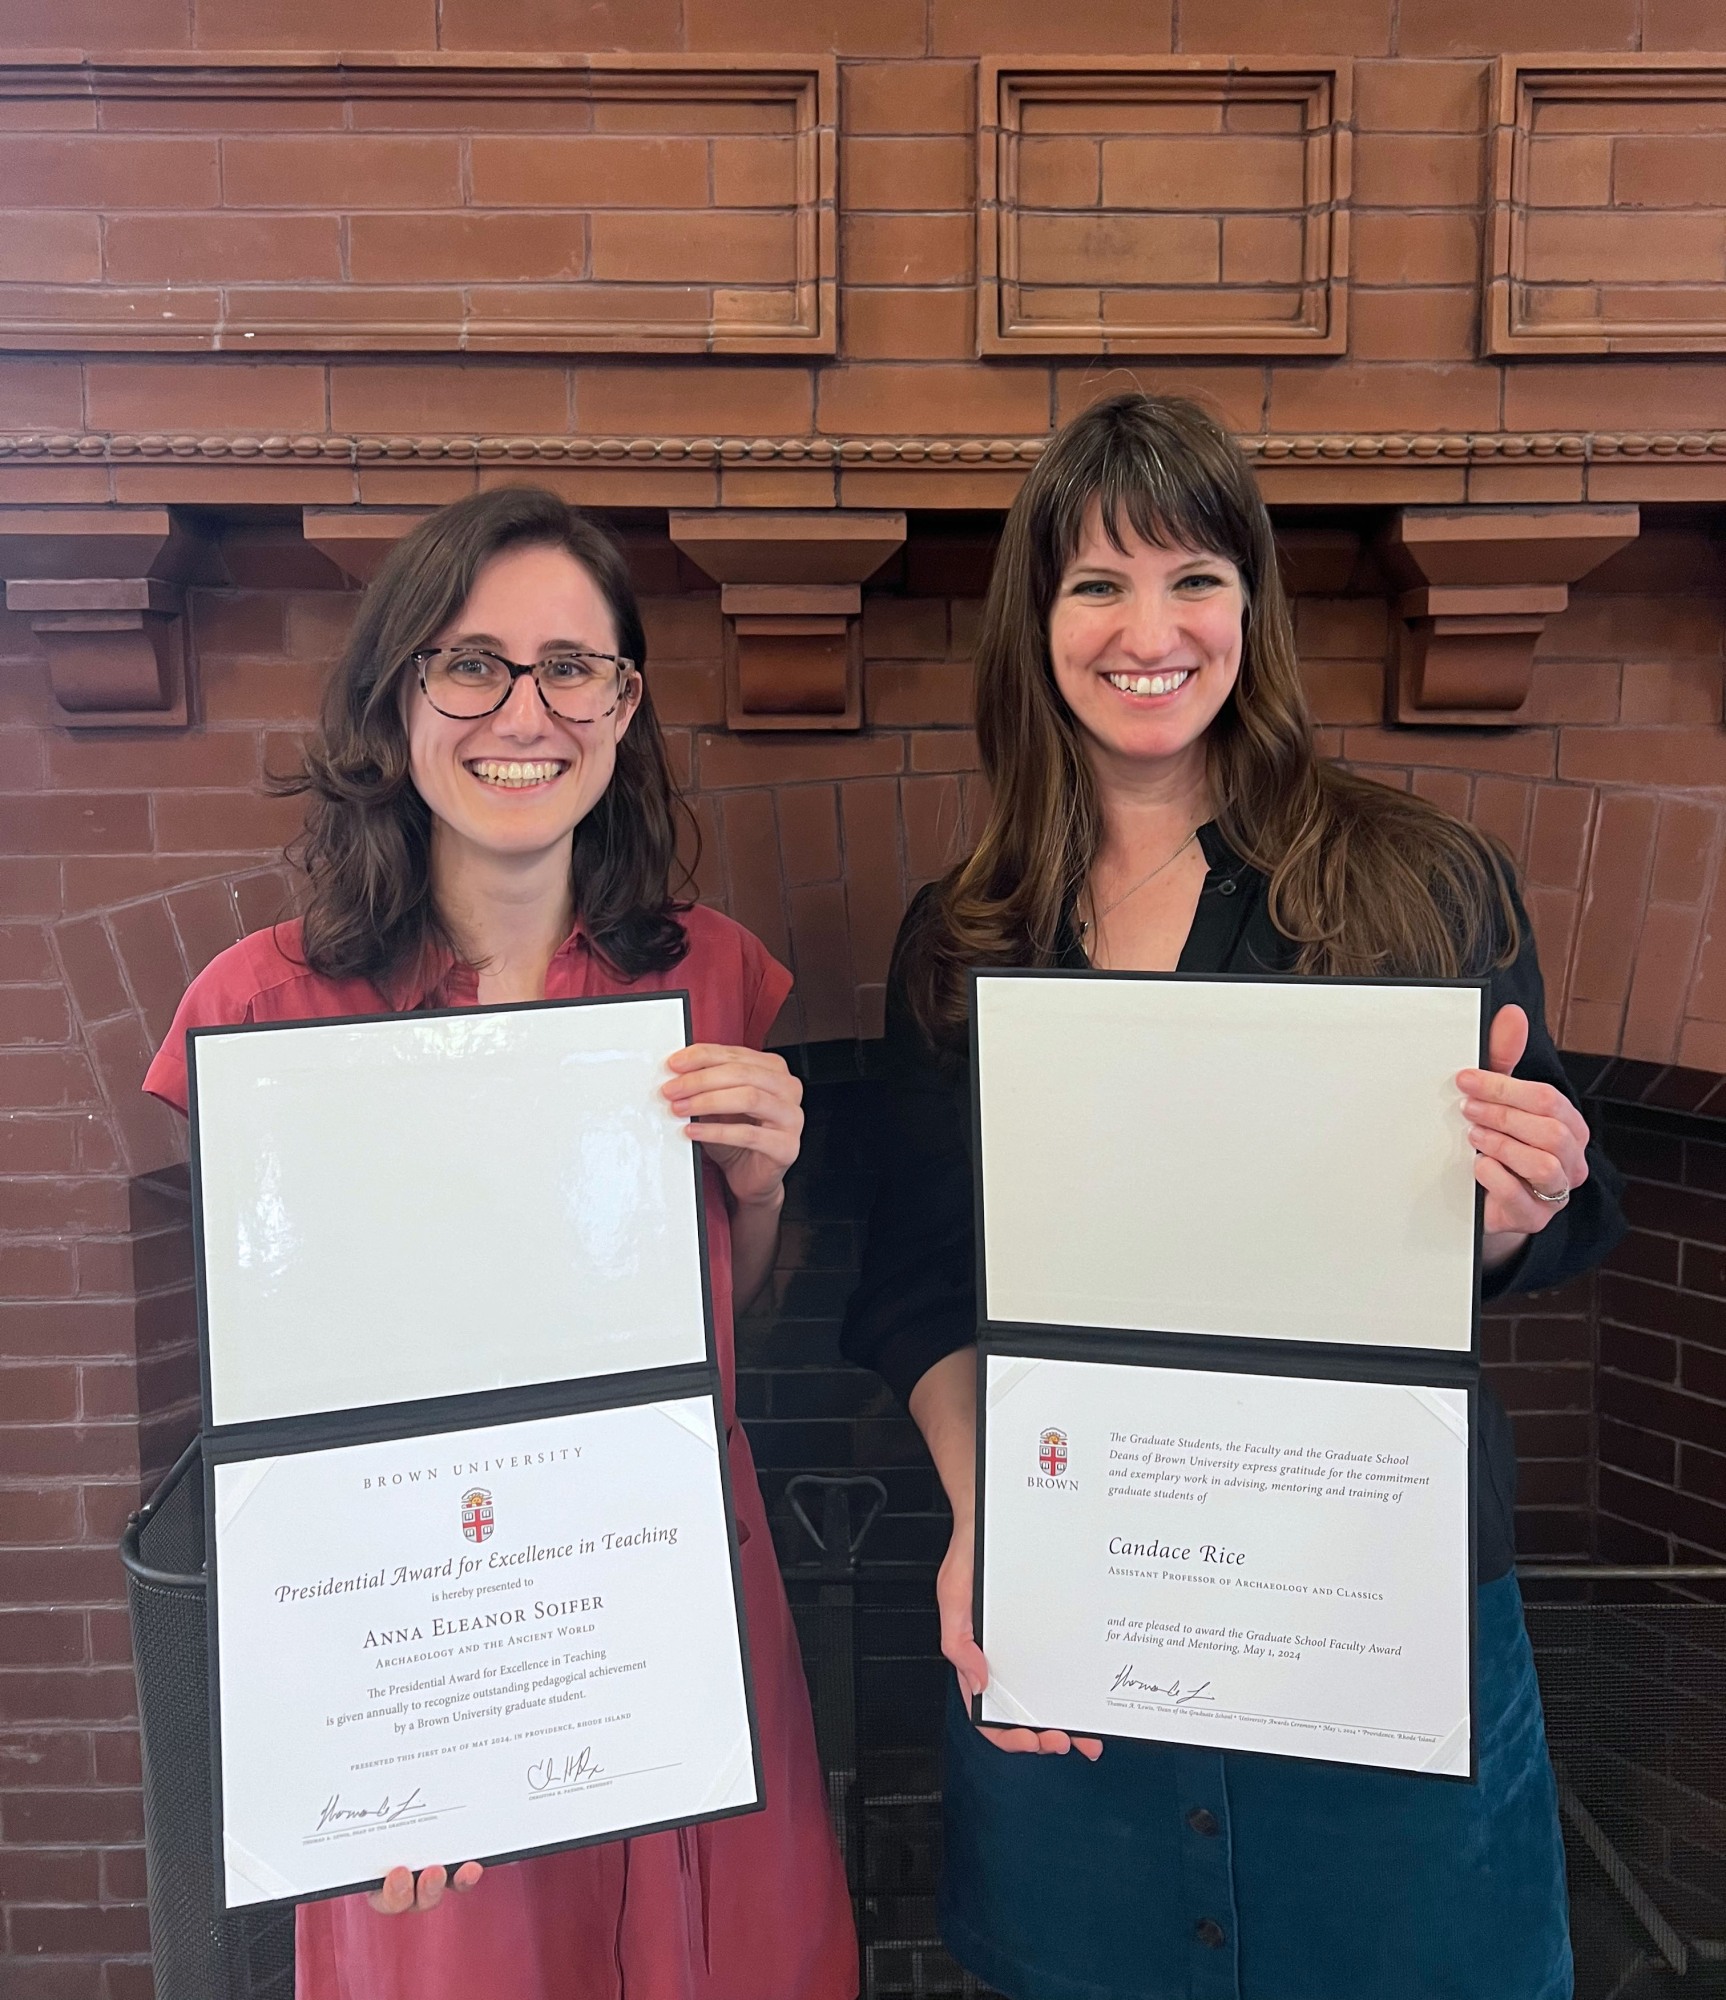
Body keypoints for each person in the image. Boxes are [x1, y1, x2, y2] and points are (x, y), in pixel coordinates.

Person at [841, 392, 1624, 2000]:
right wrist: (989, 1513)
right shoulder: (965, 931)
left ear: (1248, 610)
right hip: (1078, 1608)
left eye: (1193, 576)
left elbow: (1530, 1239)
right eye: (1095, 585)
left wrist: (1506, 1206)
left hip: (1373, 1611)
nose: (1151, 629)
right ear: (1034, 626)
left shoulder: (1421, 880)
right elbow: (920, 1280)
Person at [144, 487, 858, 2000]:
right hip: (425, 1637)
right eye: (469, 665)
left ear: (624, 705)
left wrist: (765, 1191)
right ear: (398, 694)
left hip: (664, 1605)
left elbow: (717, 1326)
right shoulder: (263, 1010)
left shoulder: (708, 974)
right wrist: (348, 1731)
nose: (521, 713)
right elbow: (291, 1421)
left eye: (570, 667)